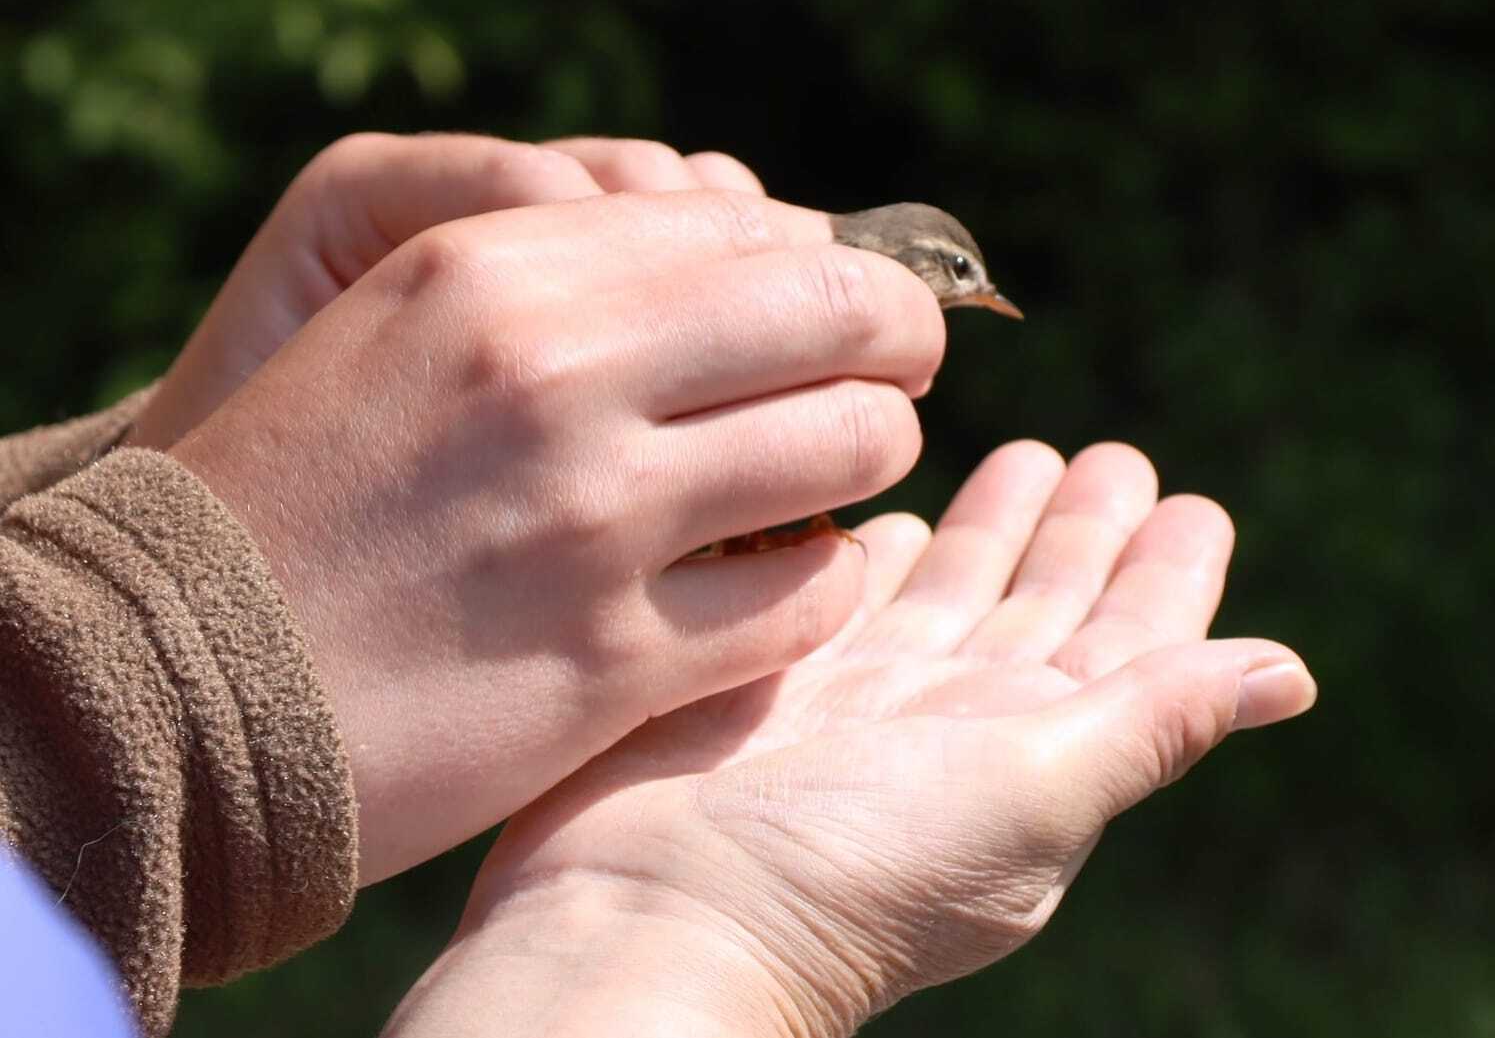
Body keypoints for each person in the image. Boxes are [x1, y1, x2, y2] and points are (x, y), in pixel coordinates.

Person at [0, 134, 1315, 1036]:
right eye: (963, 277)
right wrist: (146, 660)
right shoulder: (843, 300)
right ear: (913, 266)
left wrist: (157, 473)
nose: (978, 299)